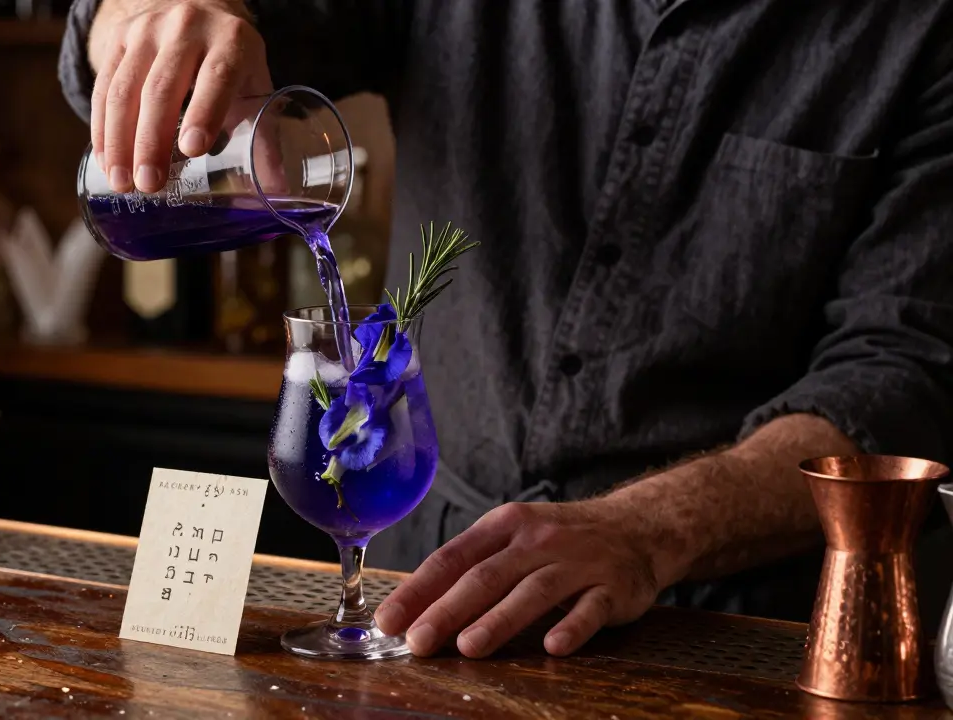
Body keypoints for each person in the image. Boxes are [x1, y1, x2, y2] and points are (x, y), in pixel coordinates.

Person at [58, 0, 953, 659]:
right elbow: (206, 19)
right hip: (419, 586)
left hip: (717, 623)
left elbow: (903, 376)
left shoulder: (919, 31)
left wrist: (646, 531)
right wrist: (151, 15)